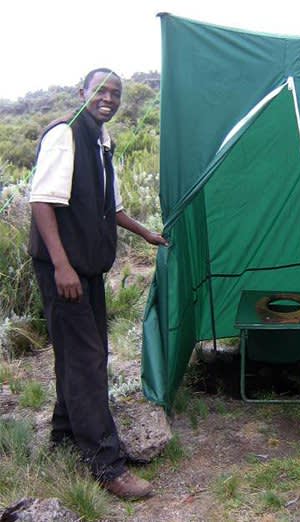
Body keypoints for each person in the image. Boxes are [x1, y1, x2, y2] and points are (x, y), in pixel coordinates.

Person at [28, 68, 168, 499]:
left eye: (116, 93)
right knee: (89, 360)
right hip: (64, 269)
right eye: (101, 91)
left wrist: (146, 233)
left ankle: (64, 436)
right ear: (82, 93)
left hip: (87, 269)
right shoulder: (65, 135)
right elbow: (42, 201)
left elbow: (114, 206)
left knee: (78, 353)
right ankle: (106, 466)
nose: (108, 98)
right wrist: (62, 266)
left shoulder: (101, 142)